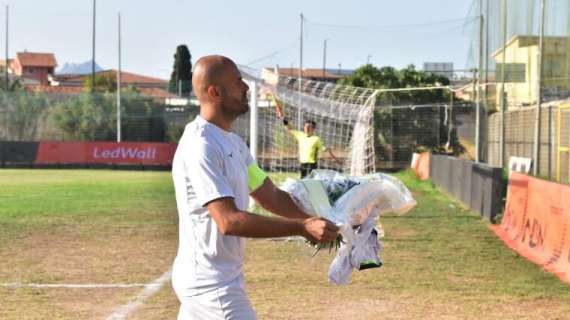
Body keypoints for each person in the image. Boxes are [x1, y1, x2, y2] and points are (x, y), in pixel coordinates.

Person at [171, 55, 339, 320]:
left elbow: (270, 195)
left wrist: (329, 219)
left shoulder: (235, 144)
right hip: (211, 285)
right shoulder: (201, 145)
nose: (247, 88)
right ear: (215, 92)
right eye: (238, 82)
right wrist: (302, 228)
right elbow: (228, 221)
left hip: (220, 277)